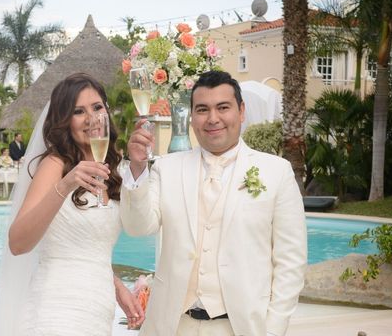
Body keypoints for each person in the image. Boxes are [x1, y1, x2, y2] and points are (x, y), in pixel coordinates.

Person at [121, 70, 307, 336]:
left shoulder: (277, 172)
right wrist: (138, 169)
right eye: (202, 109)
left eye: (223, 108)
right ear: (192, 117)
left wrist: (272, 329)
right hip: (172, 326)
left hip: (240, 328)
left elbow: (290, 263)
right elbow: (137, 227)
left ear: (241, 111)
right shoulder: (167, 167)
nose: (213, 119)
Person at [2, 73, 144, 335]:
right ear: (64, 120)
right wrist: (65, 185)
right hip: (55, 310)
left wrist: (118, 288)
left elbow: (88, 249)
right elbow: (17, 243)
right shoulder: (54, 165)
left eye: (97, 107)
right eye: (79, 111)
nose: (91, 119)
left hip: (97, 310)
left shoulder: (112, 169)